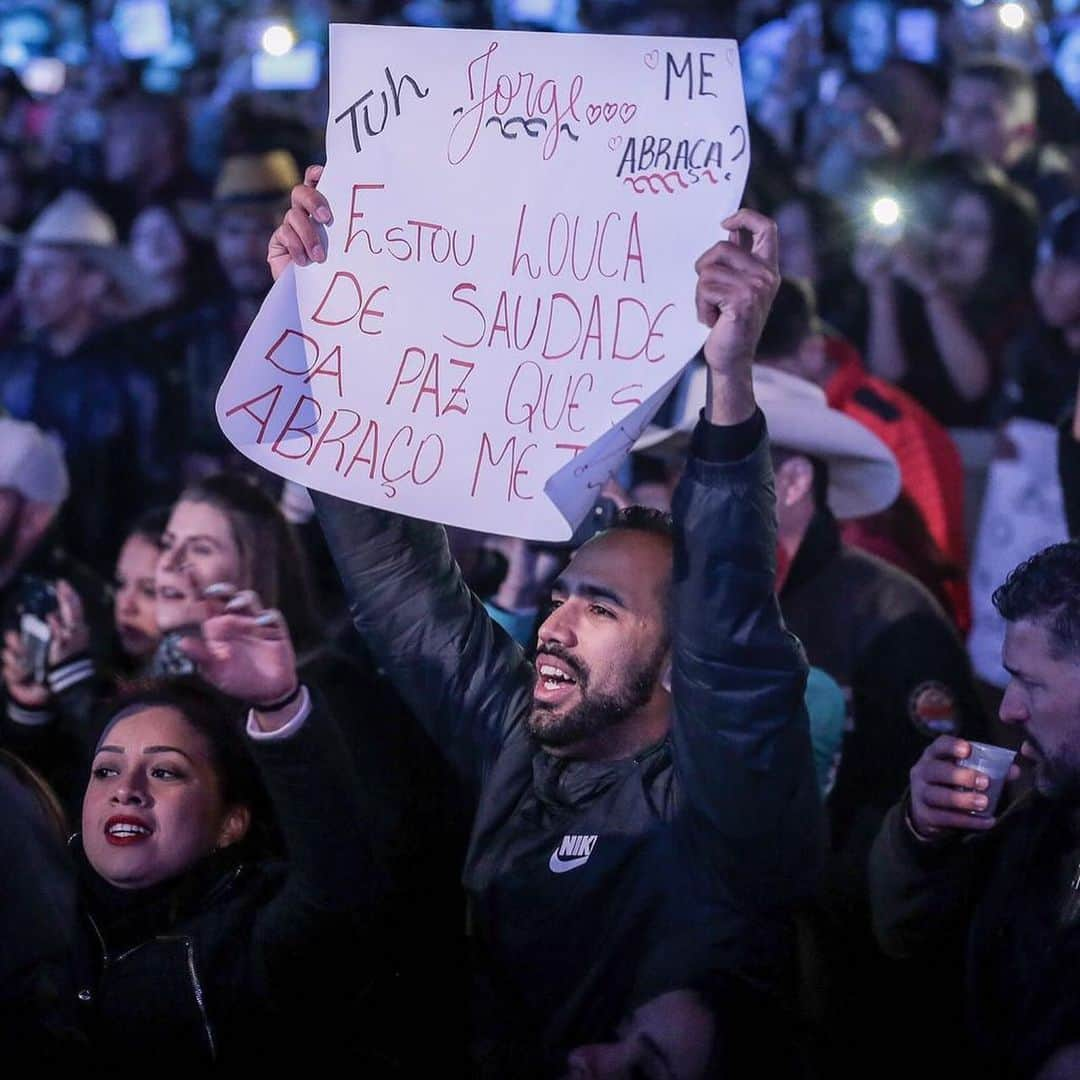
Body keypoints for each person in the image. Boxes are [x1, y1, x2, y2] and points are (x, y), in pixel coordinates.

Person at [270, 172, 821, 1076]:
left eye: (601, 608)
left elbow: (730, 622)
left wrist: (727, 379)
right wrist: (329, 323)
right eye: (564, 594)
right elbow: (399, 585)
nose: (554, 621)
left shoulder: (731, 814)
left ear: (682, 665)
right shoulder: (521, 745)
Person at [639, 360, 987, 1072]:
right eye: (686, 466)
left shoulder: (891, 616)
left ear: (792, 483)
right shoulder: (691, 598)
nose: (683, 488)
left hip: (842, 980)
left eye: (699, 464)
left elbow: (929, 814)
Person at [65, 592, 395, 1066]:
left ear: (230, 824)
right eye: (106, 771)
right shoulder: (35, 905)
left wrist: (277, 703)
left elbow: (337, 881)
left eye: (164, 772)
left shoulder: (252, 941)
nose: (126, 790)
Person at [870, 540, 1080, 1078]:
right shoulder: (1042, 816)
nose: (1008, 709)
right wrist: (921, 836)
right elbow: (910, 941)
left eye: (1030, 683)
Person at [756, 277, 971, 630]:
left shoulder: (892, 429)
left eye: (767, 382)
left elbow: (934, 562)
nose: (755, 398)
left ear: (811, 352)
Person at [0, 190, 174, 569]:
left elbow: (157, 489)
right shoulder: (12, 366)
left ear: (93, 282)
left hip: (104, 571)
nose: (27, 287)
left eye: (47, 272)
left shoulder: (135, 375)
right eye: (25, 271)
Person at [855, 157, 1038, 426]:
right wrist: (881, 290)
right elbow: (887, 381)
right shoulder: (916, 297)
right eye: (949, 226)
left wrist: (931, 289)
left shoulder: (1018, 313)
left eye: (972, 232)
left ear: (1002, 247)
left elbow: (974, 387)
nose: (953, 241)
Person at [943, 57, 1076, 214]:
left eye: (982, 114)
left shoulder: (1057, 202)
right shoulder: (935, 180)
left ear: (1024, 132)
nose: (962, 124)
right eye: (955, 109)